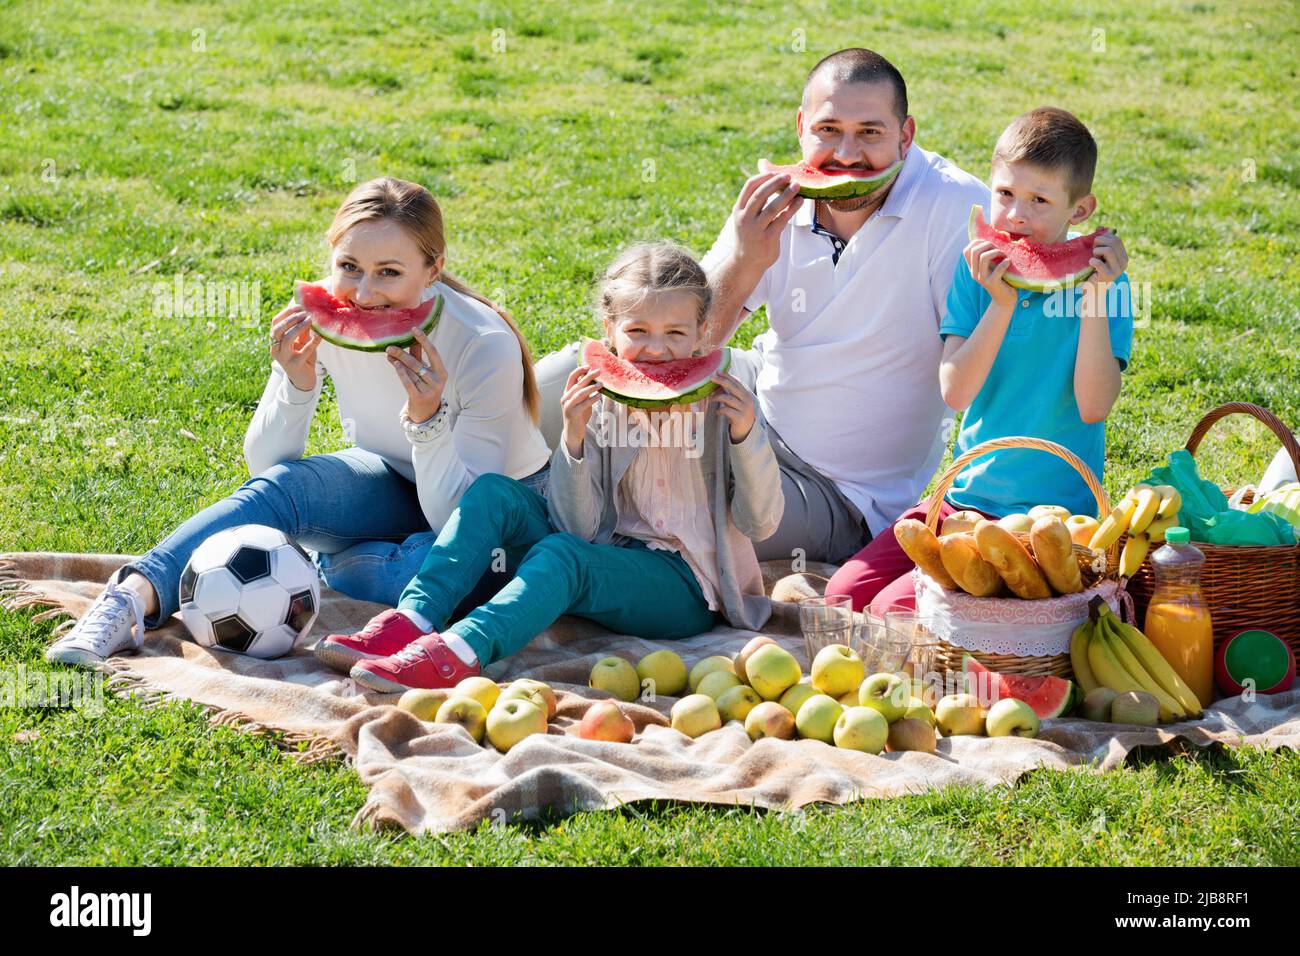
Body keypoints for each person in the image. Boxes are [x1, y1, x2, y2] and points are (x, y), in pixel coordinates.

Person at [45, 177, 550, 667]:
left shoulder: (483, 345)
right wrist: (297, 383)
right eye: (349, 266)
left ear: (433, 269)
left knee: (429, 565)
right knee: (282, 488)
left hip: (495, 520)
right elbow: (265, 465)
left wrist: (427, 420)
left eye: (389, 273)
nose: (363, 294)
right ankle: (129, 599)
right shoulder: (315, 316)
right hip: (392, 477)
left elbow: (455, 520)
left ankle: (324, 565)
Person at [313, 242, 783, 692]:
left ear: (703, 332)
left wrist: (747, 438)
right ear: (610, 329)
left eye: (675, 334)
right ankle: (412, 620)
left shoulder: (726, 408)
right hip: (603, 550)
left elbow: (760, 522)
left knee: (562, 560)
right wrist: (574, 442)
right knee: (496, 492)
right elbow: (577, 525)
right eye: (637, 331)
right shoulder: (602, 402)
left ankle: (458, 652)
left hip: (687, 586)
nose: (656, 350)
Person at [826, 106, 1133, 614]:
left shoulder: (1107, 283)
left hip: (1050, 521)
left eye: (1039, 200)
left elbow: (1094, 405)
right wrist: (1003, 304)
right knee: (841, 595)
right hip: (963, 499)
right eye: (1005, 194)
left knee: (894, 612)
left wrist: (1097, 299)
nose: (1015, 215)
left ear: (1080, 210)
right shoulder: (976, 271)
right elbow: (956, 391)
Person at [699, 47, 989, 565]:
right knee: (577, 373)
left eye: (870, 133)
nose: (848, 156)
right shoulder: (773, 202)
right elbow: (691, 344)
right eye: (828, 129)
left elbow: (991, 365)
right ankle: (515, 502)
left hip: (843, 495)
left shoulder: (956, 210)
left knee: (692, 522)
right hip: (756, 410)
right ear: (801, 127)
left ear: (906, 135)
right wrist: (745, 259)